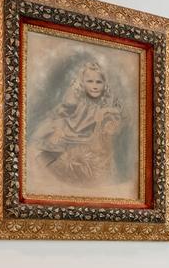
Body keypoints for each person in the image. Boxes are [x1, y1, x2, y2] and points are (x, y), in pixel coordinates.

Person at [30, 54, 125, 189]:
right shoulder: (77, 95)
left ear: (104, 84)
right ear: (83, 83)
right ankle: (43, 169)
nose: (95, 86)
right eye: (90, 81)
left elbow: (118, 110)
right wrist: (58, 129)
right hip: (70, 128)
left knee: (82, 156)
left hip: (87, 134)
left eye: (99, 82)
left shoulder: (106, 99)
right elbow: (63, 112)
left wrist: (105, 111)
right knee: (53, 147)